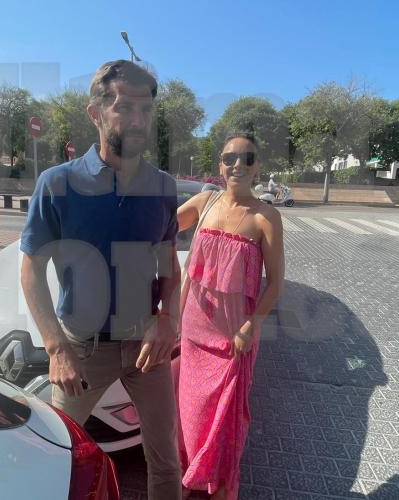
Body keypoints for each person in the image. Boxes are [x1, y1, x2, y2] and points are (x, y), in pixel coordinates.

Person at [19, 60, 182, 499]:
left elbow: (169, 263)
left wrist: (167, 318)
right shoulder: (58, 184)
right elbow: (31, 269)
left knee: (166, 460)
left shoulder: (162, 188)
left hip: (147, 349)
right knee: (57, 456)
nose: (137, 119)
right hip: (83, 350)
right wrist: (56, 348)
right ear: (95, 113)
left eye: (145, 109)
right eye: (124, 107)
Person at [176, 133, 284, 500]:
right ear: (220, 165)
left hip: (234, 339)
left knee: (225, 420)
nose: (238, 164)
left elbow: (276, 284)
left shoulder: (266, 217)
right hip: (194, 334)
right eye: (229, 158)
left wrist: (252, 325)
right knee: (191, 415)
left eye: (247, 158)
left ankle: (220, 485)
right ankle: (191, 476)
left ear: (257, 167)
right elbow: (160, 227)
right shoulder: (205, 202)